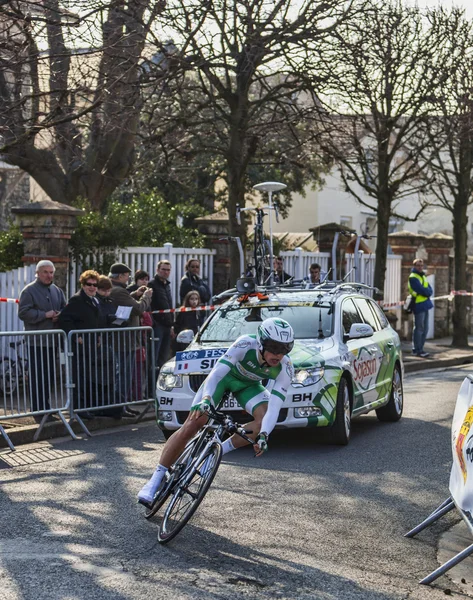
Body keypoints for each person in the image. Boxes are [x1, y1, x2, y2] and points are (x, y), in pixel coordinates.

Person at [138, 317, 294, 505]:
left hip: (248, 386)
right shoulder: (245, 344)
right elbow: (217, 373)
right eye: (274, 347)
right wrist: (206, 399)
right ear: (261, 342)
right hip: (224, 378)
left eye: (285, 349)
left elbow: (275, 406)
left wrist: (264, 435)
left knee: (262, 424)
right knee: (194, 422)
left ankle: (216, 453)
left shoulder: (285, 367)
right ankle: (156, 479)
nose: (278, 354)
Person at [18, 260, 66, 423]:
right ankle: (38, 411)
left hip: (52, 341)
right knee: (38, 376)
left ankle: (46, 408)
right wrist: (44, 315)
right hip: (36, 341)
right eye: (45, 272)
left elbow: (63, 308)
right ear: (37, 273)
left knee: (49, 376)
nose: (49, 275)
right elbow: (23, 313)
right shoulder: (29, 290)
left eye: (51, 272)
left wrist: (60, 314)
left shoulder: (57, 290)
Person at [108, 263, 153, 415]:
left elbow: (127, 303)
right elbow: (138, 309)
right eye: (127, 275)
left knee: (125, 374)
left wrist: (135, 294)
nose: (128, 278)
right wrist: (146, 297)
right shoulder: (119, 291)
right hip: (125, 341)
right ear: (120, 276)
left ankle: (123, 405)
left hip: (126, 340)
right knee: (124, 375)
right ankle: (120, 406)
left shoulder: (118, 290)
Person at [58, 270, 102, 419]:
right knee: (79, 377)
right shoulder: (77, 300)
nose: (92, 287)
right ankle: (79, 408)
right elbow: (64, 318)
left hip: (91, 345)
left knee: (87, 376)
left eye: (95, 285)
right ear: (82, 285)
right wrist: (76, 336)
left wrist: (98, 337)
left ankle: (86, 407)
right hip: (80, 347)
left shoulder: (95, 300)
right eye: (88, 284)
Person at [148, 260, 174, 370]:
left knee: (164, 357)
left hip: (167, 325)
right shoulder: (152, 284)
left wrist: (172, 325)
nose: (166, 272)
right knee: (154, 357)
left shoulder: (167, 285)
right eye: (163, 269)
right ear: (157, 270)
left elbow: (169, 306)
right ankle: (151, 383)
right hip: (157, 325)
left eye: (168, 270)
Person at [408, 258, 433, 358]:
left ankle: (421, 349)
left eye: (421, 265)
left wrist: (426, 292)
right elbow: (422, 290)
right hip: (418, 305)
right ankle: (417, 350)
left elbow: (429, 290)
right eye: (418, 265)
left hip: (425, 304)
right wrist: (426, 292)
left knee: (425, 329)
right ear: (414, 266)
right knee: (419, 328)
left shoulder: (422, 276)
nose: (420, 267)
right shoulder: (413, 277)